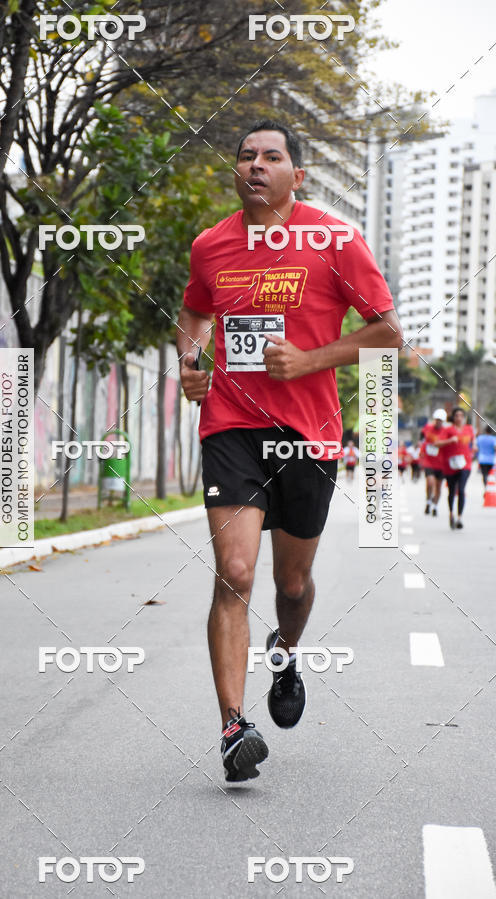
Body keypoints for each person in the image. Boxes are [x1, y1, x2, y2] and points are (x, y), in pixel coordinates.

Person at [176, 119, 403, 782]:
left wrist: (310, 359)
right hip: (231, 428)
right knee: (236, 572)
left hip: (309, 432)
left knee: (292, 583)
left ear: (296, 176)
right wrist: (191, 358)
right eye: (246, 155)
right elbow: (193, 314)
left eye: (271, 157)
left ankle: (288, 650)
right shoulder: (210, 246)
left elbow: (386, 331)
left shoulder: (334, 240)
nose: (255, 165)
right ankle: (232, 727)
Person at [441, 407, 475, 529]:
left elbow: (473, 442)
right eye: (456, 415)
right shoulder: (448, 430)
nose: (459, 418)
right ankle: (451, 514)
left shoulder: (469, 429)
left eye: (461, 415)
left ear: (464, 418)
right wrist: (450, 440)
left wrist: (474, 448)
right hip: (450, 465)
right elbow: (437, 443)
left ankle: (460, 517)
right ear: (453, 417)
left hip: (465, 464)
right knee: (451, 491)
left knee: (461, 490)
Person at [420, 409, 449, 516]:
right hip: (429, 461)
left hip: (441, 463)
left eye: (440, 420)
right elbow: (422, 438)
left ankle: (435, 506)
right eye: (437, 420)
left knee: (438, 486)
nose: (438, 422)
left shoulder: (446, 431)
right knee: (430, 482)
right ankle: (428, 501)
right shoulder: (428, 428)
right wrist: (421, 450)